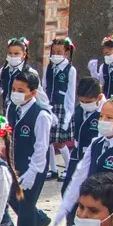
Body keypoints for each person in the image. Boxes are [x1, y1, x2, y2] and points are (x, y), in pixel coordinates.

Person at [55, 97, 113, 226]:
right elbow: (80, 175)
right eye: (101, 116)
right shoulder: (96, 143)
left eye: (109, 117)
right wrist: (65, 207)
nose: (103, 121)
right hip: (91, 213)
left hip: (111, 219)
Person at [6, 70, 53, 226]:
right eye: (14, 89)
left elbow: (41, 147)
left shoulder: (41, 115)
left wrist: (33, 172)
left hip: (34, 164)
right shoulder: (12, 107)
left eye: (21, 90)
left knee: (25, 203)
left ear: (33, 92)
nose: (16, 93)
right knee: (12, 197)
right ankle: (39, 218)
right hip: (14, 162)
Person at [44, 37, 78, 180]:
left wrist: (68, 115)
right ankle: (52, 169)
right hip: (50, 105)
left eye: (59, 52)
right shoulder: (49, 67)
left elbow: (71, 93)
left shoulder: (70, 70)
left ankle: (69, 167)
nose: (56, 54)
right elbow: (44, 86)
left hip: (62, 107)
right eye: (54, 51)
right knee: (48, 140)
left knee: (60, 141)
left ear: (66, 53)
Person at [0, 37, 48, 116]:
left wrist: (47, 110)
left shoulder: (30, 72)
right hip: (7, 110)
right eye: (10, 53)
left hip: (24, 111)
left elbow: (39, 94)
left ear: (24, 54)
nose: (12, 56)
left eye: (16, 54)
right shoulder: (3, 71)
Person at [63, 76, 104, 190]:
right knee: (68, 188)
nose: (84, 104)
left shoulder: (106, 112)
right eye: (82, 101)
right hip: (78, 154)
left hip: (95, 157)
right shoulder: (79, 109)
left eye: (88, 102)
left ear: (99, 97)